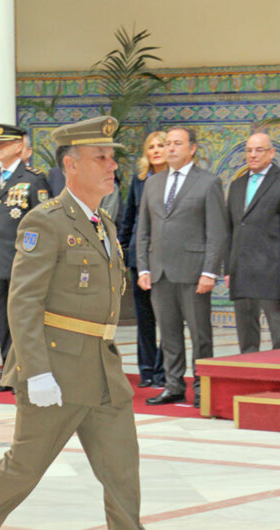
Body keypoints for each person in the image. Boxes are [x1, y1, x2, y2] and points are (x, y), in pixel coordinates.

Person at [0, 115, 184, 530]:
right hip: (55, 366)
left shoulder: (103, 222)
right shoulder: (45, 221)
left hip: (101, 366)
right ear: (71, 165)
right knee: (26, 466)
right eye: (102, 157)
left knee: (122, 469)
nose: (113, 165)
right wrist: (35, 372)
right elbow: (24, 302)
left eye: (113, 156)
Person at [137, 126, 228, 407]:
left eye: (178, 144)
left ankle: (203, 388)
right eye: (168, 144)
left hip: (194, 272)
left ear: (192, 148)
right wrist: (143, 267)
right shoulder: (153, 183)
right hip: (160, 272)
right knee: (169, 333)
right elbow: (144, 230)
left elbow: (217, 232)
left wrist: (209, 271)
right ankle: (173, 385)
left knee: (201, 335)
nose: (171, 148)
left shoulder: (208, 182)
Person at [0, 123, 51, 393]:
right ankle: (8, 371)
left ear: (20, 147)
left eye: (5, 143)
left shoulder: (34, 179)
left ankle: (26, 372)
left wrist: (35, 260)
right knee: (3, 320)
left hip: (22, 262)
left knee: (23, 321)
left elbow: (43, 224)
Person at [225, 132, 280, 353]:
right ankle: (249, 372)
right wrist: (228, 268)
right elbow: (230, 228)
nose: (253, 155)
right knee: (246, 331)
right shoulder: (237, 185)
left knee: (278, 331)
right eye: (249, 150)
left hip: (272, 269)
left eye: (259, 150)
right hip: (241, 269)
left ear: (271, 153)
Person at [118, 131, 167, 387]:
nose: (156, 150)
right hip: (140, 257)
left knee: (166, 318)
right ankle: (147, 371)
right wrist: (124, 251)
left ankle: (163, 370)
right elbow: (129, 217)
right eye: (151, 147)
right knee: (144, 318)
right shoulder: (139, 181)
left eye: (161, 146)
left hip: (166, 257)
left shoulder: (174, 179)